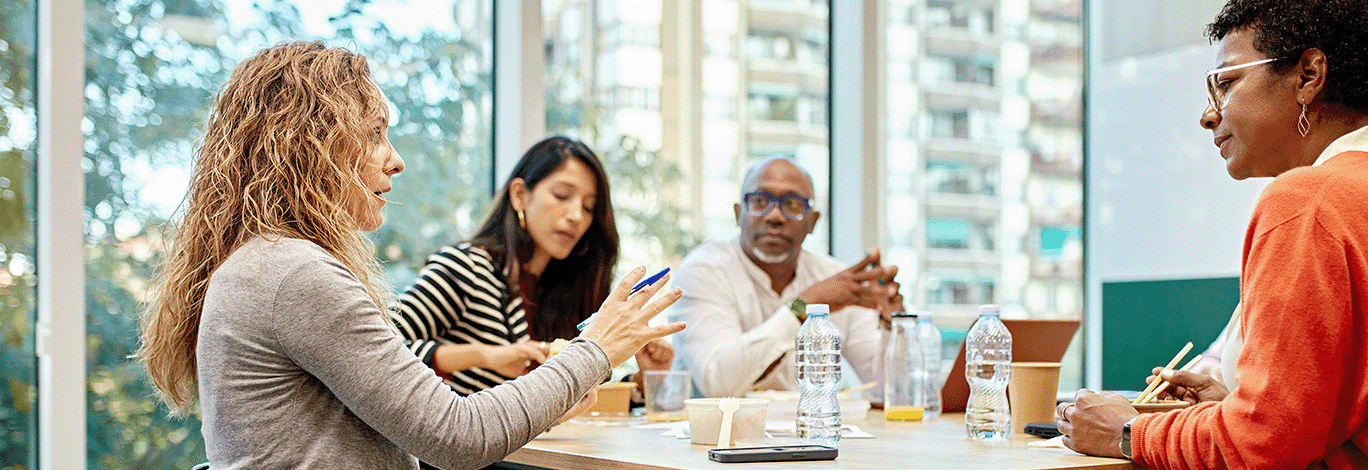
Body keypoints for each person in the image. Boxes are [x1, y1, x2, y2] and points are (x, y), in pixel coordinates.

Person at [133, 41, 685, 469]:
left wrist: (558, 393)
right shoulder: (293, 274)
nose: (395, 161)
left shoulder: (268, 263)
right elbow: (456, 437)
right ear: (309, 143)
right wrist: (598, 348)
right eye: (375, 134)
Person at [1057, 1, 1368, 468]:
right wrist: (1229, 406)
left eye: (1226, 83)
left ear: (1308, 76)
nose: (1208, 114)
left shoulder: (1306, 201)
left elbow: (1260, 447)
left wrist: (1126, 432)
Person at [389, 136, 671, 404]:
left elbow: (581, 394)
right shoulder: (466, 267)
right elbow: (379, 352)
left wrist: (645, 377)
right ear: (520, 195)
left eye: (588, 207)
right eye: (562, 195)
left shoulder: (566, 288)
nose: (576, 216)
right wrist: (482, 355)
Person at [669, 156, 904, 399]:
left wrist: (893, 325)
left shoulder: (836, 279)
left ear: (812, 221)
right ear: (738, 214)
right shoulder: (703, 272)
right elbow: (718, 385)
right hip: (714, 435)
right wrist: (801, 307)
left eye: (791, 204)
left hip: (810, 431)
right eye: (760, 201)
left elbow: (884, 388)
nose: (775, 216)